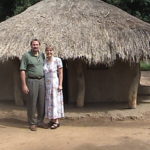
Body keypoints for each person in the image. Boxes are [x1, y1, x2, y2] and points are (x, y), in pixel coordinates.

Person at [20, 39, 47, 131]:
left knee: (42, 102)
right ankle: (32, 123)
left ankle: (40, 121)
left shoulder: (43, 55)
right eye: (33, 44)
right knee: (32, 102)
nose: (35, 46)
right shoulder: (26, 56)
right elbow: (22, 70)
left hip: (42, 81)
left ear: (39, 45)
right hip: (32, 81)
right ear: (31, 45)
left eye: (37, 44)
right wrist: (24, 84)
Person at [43, 45, 64, 129]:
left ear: (53, 51)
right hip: (47, 85)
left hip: (54, 84)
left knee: (55, 102)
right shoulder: (44, 61)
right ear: (45, 52)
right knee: (49, 102)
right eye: (47, 50)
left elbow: (60, 73)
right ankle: (51, 120)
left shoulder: (57, 60)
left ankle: (57, 121)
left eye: (51, 50)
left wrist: (60, 84)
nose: (49, 52)